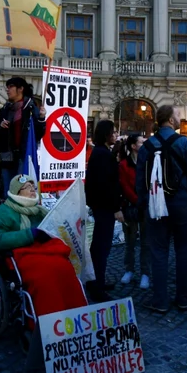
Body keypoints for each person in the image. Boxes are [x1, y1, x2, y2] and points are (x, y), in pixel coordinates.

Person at [0, 174, 87, 318]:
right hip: (18, 255)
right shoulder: (4, 212)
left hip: (40, 251)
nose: (33, 190)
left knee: (64, 268)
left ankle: (76, 316)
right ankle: (50, 320)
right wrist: (28, 235)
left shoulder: (39, 210)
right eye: (27, 187)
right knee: (44, 276)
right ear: (17, 192)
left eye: (33, 187)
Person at [136, 105, 187, 313]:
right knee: (185, 252)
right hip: (183, 205)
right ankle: (183, 299)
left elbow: (140, 182)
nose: (181, 118)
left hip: (155, 205)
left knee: (159, 252)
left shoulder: (146, 146)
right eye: (178, 115)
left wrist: (143, 205)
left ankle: (160, 300)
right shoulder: (183, 143)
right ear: (170, 120)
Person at [85, 120, 123, 302]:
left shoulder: (101, 153)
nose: (116, 135)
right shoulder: (102, 154)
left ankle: (96, 281)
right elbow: (108, 185)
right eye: (113, 132)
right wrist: (116, 208)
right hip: (104, 207)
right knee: (101, 247)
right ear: (106, 134)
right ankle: (96, 286)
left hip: (101, 205)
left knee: (100, 247)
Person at [0, 77, 46, 195]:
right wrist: (0, 125)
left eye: (10, 87)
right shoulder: (5, 109)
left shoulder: (31, 108)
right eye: (7, 87)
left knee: (20, 189)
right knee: (7, 190)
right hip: (7, 156)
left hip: (23, 156)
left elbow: (38, 135)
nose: (7, 90)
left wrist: (41, 118)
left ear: (20, 89)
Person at [118, 134, 151, 289]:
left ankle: (145, 272)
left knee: (146, 241)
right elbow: (123, 185)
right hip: (131, 206)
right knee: (129, 241)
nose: (144, 144)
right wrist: (137, 200)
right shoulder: (124, 164)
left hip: (146, 206)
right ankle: (129, 270)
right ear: (133, 146)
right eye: (141, 142)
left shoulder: (148, 163)